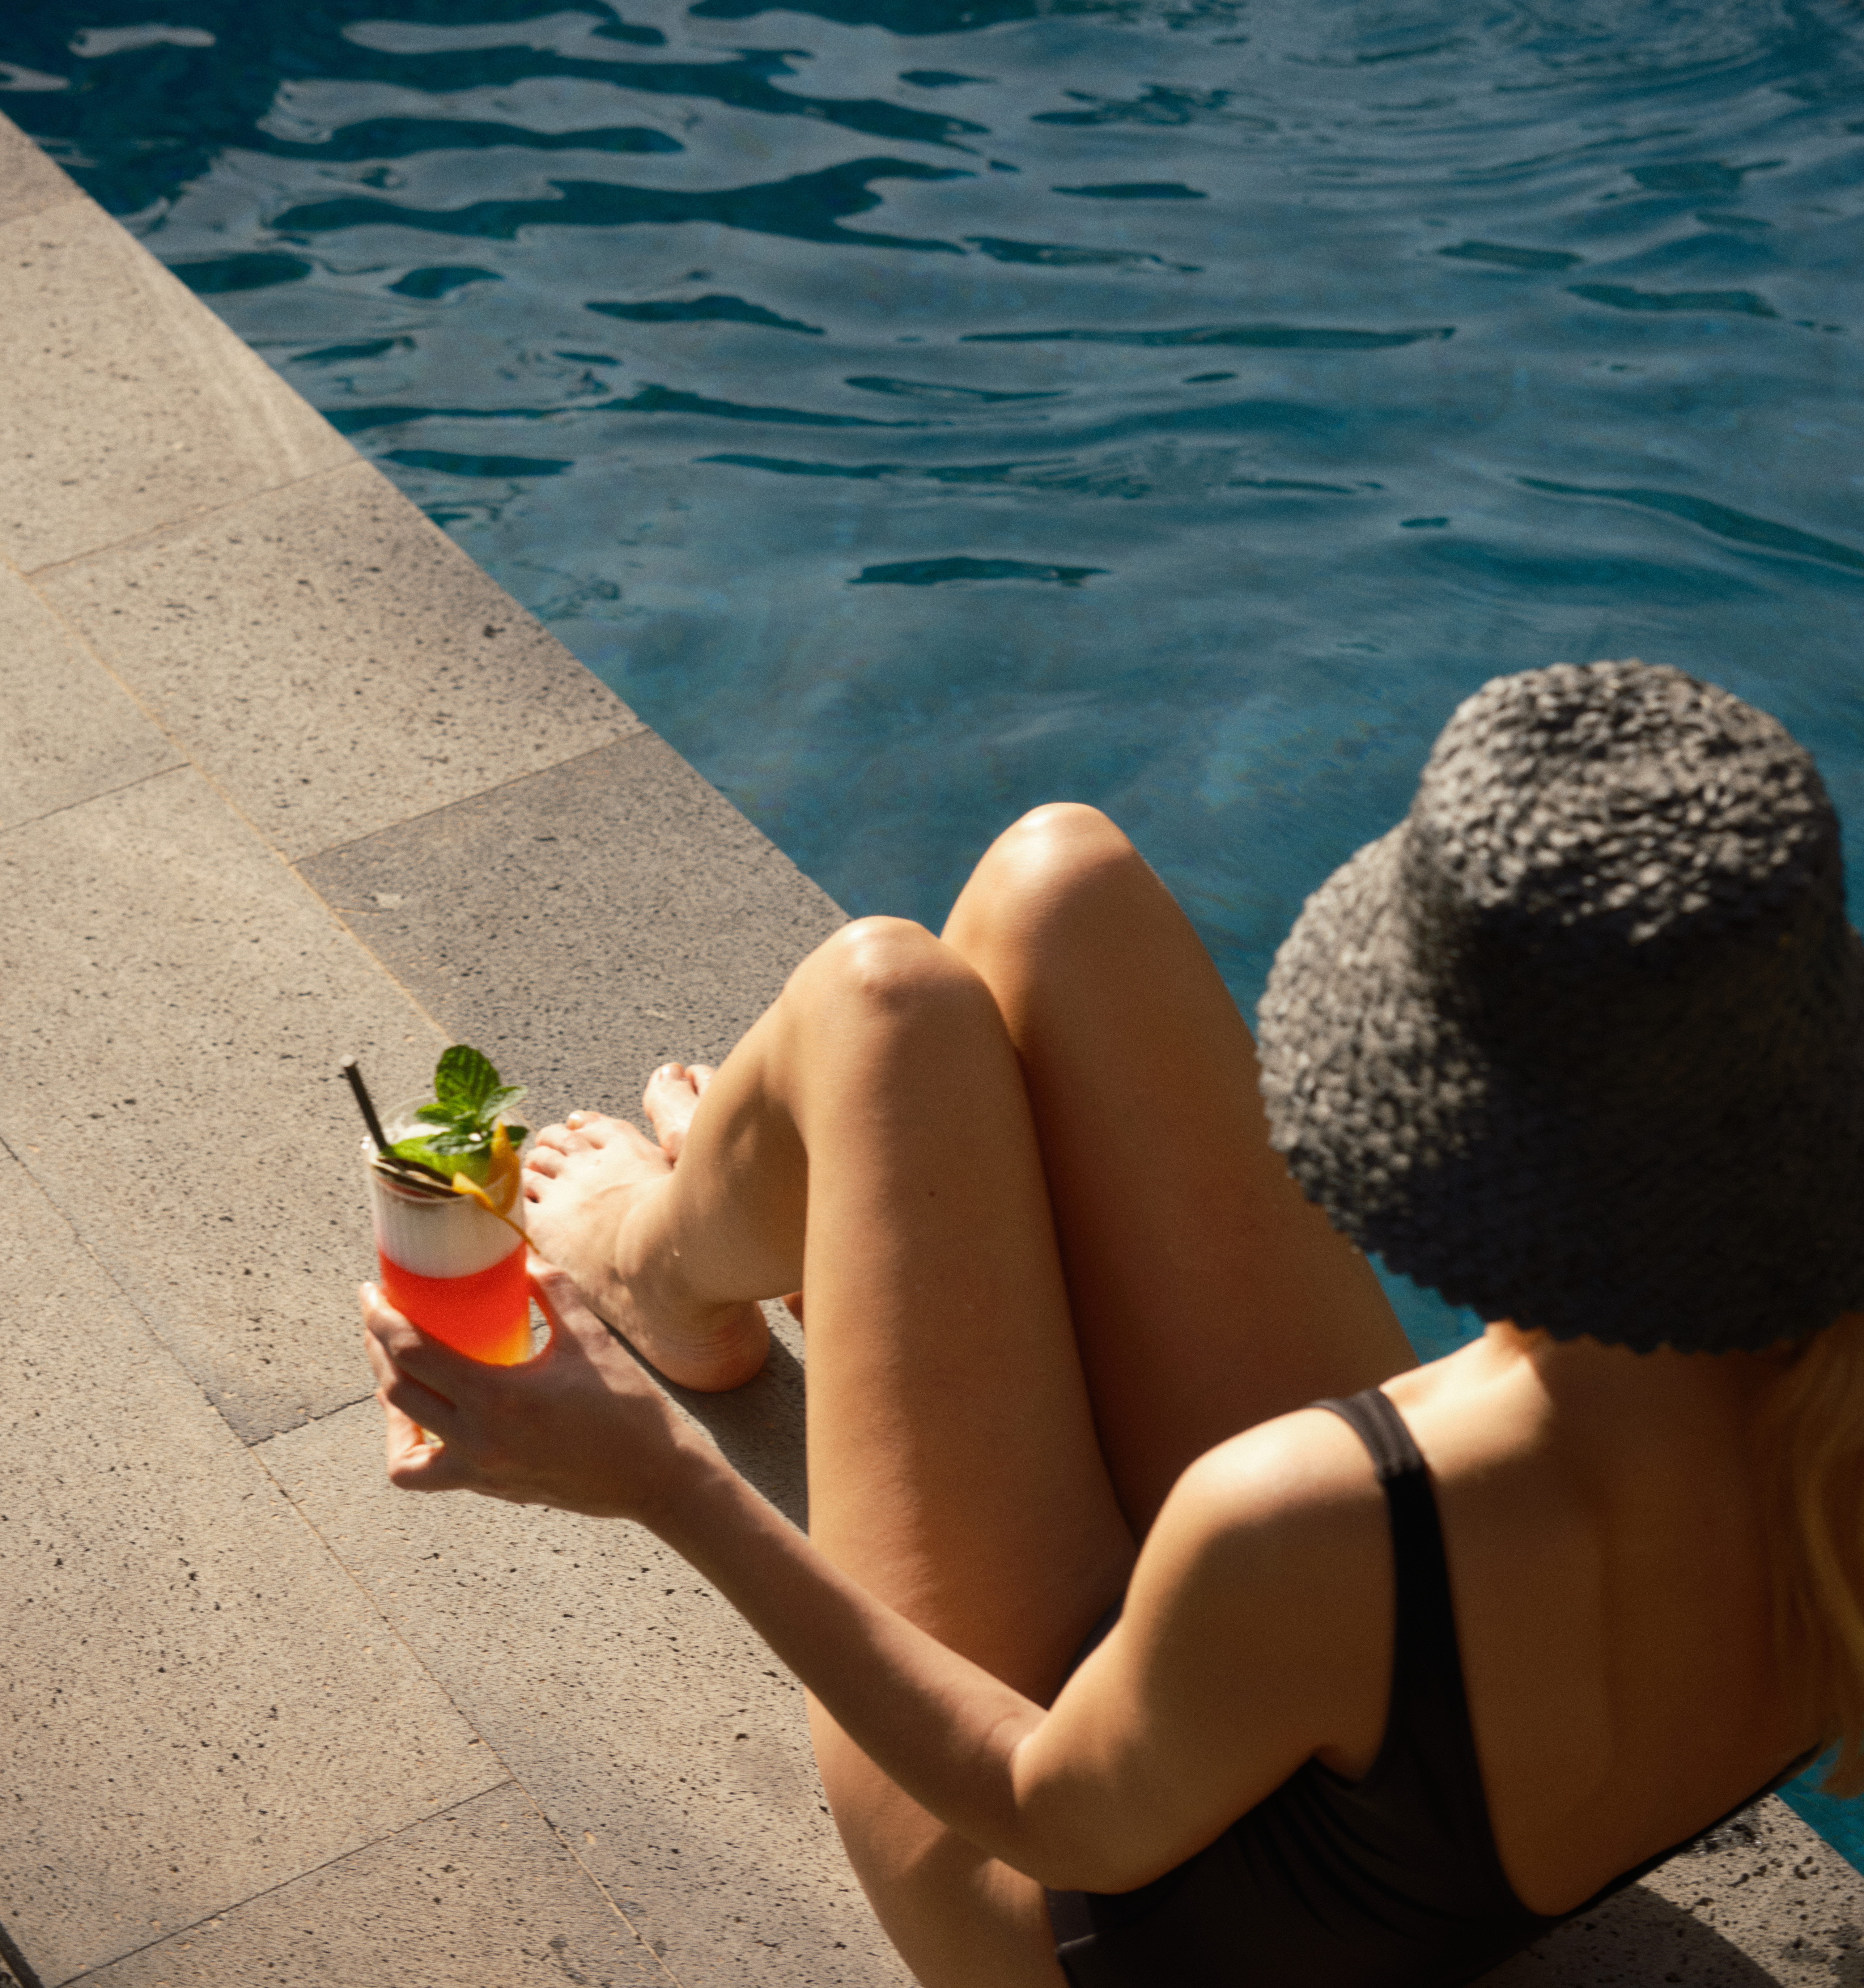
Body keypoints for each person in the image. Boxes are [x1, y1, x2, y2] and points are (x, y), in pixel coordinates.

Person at [360, 660, 1864, 1988]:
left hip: (1064, 1918)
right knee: (1053, 880)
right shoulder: (1821, 1393)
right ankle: (802, 1247)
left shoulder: (1309, 1517)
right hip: (1388, 1807)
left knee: (878, 1002)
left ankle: (656, 1266)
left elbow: (1041, 1807)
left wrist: (662, 1478)